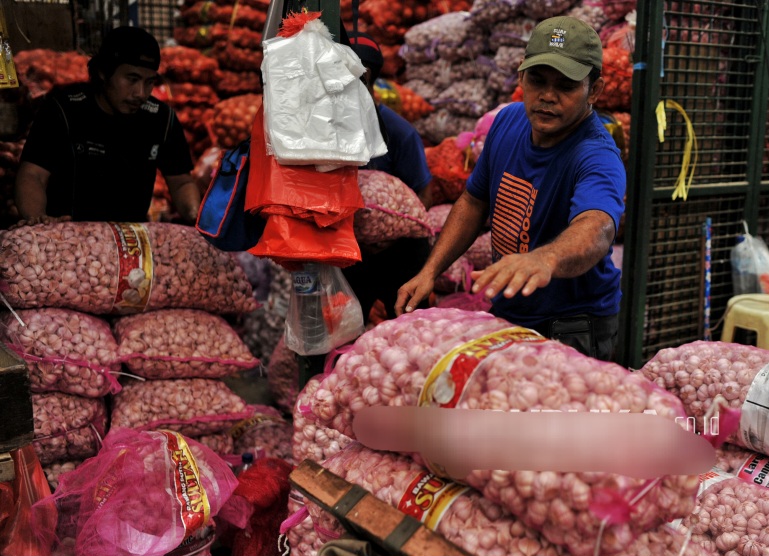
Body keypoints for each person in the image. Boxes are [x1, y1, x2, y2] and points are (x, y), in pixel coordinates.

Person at [395, 16, 626, 361]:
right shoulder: (508, 121)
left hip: (571, 327)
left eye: (565, 86)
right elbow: (474, 201)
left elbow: (597, 227)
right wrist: (430, 271)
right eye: (537, 80)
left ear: (593, 90)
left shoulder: (596, 155)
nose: (547, 96)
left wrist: (546, 258)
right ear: (521, 77)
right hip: (509, 314)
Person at [13, 26, 200, 225]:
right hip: (68, 235)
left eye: (149, 82)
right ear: (103, 72)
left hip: (129, 238)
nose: (140, 93)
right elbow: (33, 175)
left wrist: (195, 216)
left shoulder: (161, 118)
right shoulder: (64, 110)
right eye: (132, 79)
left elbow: (181, 182)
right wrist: (38, 221)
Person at [341, 31, 434, 322]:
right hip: (350, 251)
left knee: (409, 324)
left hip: (399, 251)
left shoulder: (399, 132)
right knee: (345, 326)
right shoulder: (331, 127)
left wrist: (387, 232)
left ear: (367, 78)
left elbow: (423, 195)